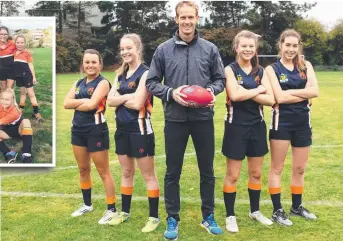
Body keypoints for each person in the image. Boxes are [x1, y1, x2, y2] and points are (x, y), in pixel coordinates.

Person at [145, 1, 225, 239]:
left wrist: (210, 92)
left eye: (191, 17)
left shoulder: (210, 49)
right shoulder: (163, 50)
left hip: (202, 118)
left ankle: (208, 216)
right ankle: (172, 218)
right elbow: (151, 82)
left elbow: (220, 79)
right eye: (183, 17)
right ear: (176, 19)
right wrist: (171, 93)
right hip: (175, 119)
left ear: (197, 19)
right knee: (172, 172)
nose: (187, 21)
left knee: (207, 171)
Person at [222, 30, 275, 233]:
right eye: (244, 46)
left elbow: (271, 100)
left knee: (256, 173)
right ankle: (230, 215)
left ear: (255, 49)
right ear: (236, 47)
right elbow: (234, 95)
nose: (247, 49)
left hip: (257, 127)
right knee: (233, 175)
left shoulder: (261, 71)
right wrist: (258, 90)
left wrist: (246, 92)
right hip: (235, 127)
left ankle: (255, 211)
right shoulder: (229, 70)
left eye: (251, 47)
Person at [107, 33, 160, 233]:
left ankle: (153, 217)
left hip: (141, 131)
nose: (125, 52)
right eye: (122, 49)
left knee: (148, 175)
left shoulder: (147, 73)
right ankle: (125, 212)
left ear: (137, 49)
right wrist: (126, 96)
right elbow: (109, 101)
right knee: (127, 172)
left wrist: (120, 96)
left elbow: (138, 103)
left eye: (128, 48)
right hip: (122, 131)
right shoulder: (119, 74)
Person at [266, 29, 319, 226]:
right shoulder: (272, 69)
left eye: (294, 46)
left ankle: (296, 207)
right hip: (282, 124)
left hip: (303, 124)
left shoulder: (306, 66)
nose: (291, 49)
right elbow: (278, 97)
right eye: (287, 45)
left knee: (299, 168)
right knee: (277, 168)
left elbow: (315, 91)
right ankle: (277, 210)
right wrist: (304, 92)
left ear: (299, 47)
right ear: (280, 45)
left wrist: (293, 93)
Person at [63, 49, 117, 224]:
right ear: (83, 64)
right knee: (83, 169)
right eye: (87, 62)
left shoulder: (103, 83)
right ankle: (87, 204)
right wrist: (83, 102)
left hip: (96, 131)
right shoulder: (78, 83)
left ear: (100, 64)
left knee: (103, 171)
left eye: (94, 62)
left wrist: (78, 103)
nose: (90, 65)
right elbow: (65, 103)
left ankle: (111, 209)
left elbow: (92, 105)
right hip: (77, 130)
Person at [13, 35, 44, 121]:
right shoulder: (14, 53)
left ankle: (36, 113)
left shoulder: (27, 54)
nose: (20, 44)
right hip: (19, 77)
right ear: (15, 43)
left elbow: (30, 65)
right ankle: (21, 110)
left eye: (22, 42)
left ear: (25, 43)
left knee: (31, 94)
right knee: (22, 93)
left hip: (27, 76)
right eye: (18, 42)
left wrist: (34, 77)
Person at [0, 88, 33, 163]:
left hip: (19, 130)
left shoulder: (14, 112)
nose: (4, 102)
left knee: (26, 121)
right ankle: (9, 153)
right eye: (2, 99)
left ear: (12, 100)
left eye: (7, 99)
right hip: (6, 131)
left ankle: (26, 154)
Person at [0, 26, 16, 90]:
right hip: (1, 71)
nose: (3, 36)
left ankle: (13, 100)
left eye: (5, 34)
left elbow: (21, 53)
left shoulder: (13, 44)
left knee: (9, 89)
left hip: (11, 70)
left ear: (8, 35)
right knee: (4, 89)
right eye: (1, 34)